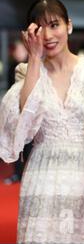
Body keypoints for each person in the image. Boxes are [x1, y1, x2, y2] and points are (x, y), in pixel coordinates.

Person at [0, 0, 84, 243]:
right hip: (42, 176)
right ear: (31, 33)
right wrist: (33, 58)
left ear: (69, 26)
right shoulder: (27, 71)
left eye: (55, 25)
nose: (49, 35)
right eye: (40, 28)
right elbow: (23, 125)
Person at [3, 40, 29, 185]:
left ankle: (28, 173)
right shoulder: (11, 66)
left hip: (30, 110)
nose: (17, 52)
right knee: (17, 144)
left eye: (20, 49)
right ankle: (17, 173)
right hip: (16, 111)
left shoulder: (34, 65)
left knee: (29, 145)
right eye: (16, 50)